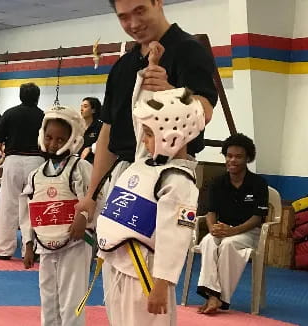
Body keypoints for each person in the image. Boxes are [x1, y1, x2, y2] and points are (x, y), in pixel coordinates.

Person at [75, 0, 218, 229]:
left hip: (168, 173)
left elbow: (205, 111)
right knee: (115, 256)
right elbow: (108, 133)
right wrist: (92, 194)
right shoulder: (123, 66)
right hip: (124, 174)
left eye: (140, 11)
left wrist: (172, 92)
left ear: (157, 2)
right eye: (123, 17)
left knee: (156, 259)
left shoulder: (188, 50)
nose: (134, 23)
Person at [95, 87, 205, 325]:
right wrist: (143, 78)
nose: (143, 139)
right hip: (117, 263)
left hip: (145, 275)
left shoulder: (177, 181)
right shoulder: (146, 165)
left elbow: (175, 238)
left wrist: (162, 284)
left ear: (172, 136)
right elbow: (140, 116)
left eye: (148, 133)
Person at [20, 105, 93, 326]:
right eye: (49, 137)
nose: (53, 144)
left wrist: (84, 217)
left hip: (75, 243)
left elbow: (94, 197)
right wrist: (28, 244)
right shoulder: (36, 175)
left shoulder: (81, 168)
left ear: (73, 139)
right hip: (45, 242)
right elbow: (28, 213)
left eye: (61, 140)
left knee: (71, 298)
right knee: (48, 296)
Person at [196, 133, 268, 314]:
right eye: (229, 156)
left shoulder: (258, 183)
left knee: (228, 244)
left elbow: (257, 218)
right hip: (223, 228)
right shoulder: (217, 183)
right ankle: (213, 296)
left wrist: (232, 231)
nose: (232, 160)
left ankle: (220, 298)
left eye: (238, 156)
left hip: (249, 232)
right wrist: (213, 228)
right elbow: (211, 212)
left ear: (248, 158)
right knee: (207, 242)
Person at [0, 82, 45, 260]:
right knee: (32, 207)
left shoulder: (10, 114)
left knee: (7, 205)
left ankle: (4, 250)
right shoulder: (43, 117)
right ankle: (31, 250)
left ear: (20, 96)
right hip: (36, 162)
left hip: (12, 161)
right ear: (37, 97)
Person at [79, 97, 103, 164]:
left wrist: (90, 148)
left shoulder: (100, 126)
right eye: (81, 106)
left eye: (85, 106)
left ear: (93, 110)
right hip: (78, 162)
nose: (81, 109)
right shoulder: (78, 126)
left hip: (93, 163)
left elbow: (104, 144)